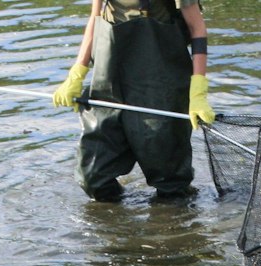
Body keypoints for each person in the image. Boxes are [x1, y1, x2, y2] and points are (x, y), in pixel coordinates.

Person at [50, 0, 214, 202]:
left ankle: (174, 222)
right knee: (93, 178)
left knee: (170, 183)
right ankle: (116, 223)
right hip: (109, 80)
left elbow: (197, 28)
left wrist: (198, 90)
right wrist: (77, 73)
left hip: (160, 83)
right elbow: (95, 18)